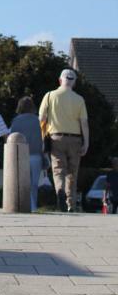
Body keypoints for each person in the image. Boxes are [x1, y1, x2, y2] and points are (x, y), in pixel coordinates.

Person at [39, 69, 89, 213]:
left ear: (60, 80)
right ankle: (70, 204)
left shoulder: (49, 96)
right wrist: (86, 142)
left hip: (55, 138)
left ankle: (59, 189)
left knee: (58, 169)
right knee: (72, 172)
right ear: (74, 82)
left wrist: (44, 135)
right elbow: (84, 123)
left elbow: (41, 118)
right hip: (75, 139)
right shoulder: (79, 99)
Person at [10, 96, 44, 212]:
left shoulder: (15, 121)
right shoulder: (38, 120)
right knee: (34, 184)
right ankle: (33, 206)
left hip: (21, 155)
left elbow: (11, 137)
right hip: (36, 155)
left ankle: (28, 205)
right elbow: (43, 138)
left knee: (24, 183)